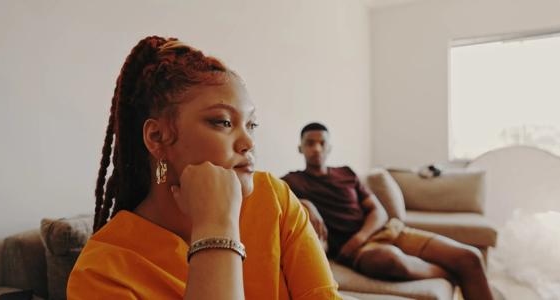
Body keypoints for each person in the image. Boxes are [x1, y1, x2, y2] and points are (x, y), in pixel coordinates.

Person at [67, 37, 341, 300]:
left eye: (251, 125)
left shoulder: (273, 198)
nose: (248, 142)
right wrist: (217, 227)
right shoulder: (101, 271)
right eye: (222, 122)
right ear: (157, 137)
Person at [282, 122, 494, 300]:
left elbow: (378, 211)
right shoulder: (292, 181)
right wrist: (305, 203)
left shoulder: (346, 173)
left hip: (392, 232)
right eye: (310, 143)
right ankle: (452, 274)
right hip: (359, 252)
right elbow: (272, 196)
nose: (317, 148)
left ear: (329, 148)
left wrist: (360, 237)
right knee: (387, 259)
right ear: (300, 148)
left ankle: (459, 271)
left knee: (471, 257)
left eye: (322, 143)